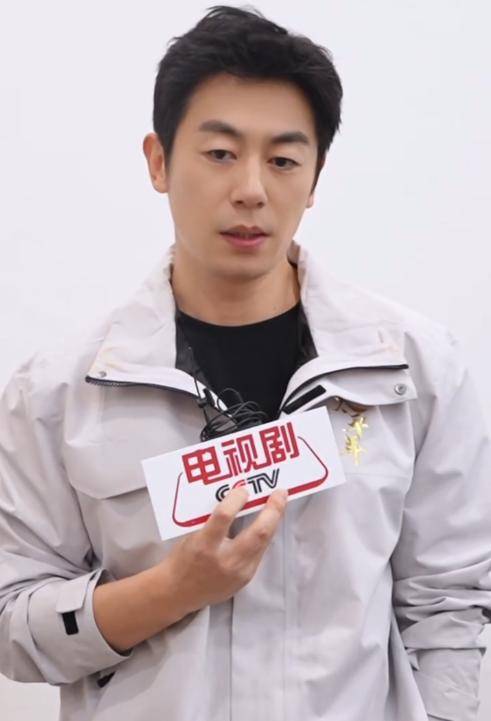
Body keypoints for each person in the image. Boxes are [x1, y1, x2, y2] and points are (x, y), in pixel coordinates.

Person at [0, 5, 490, 721]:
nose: (252, 189)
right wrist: (171, 589)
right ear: (159, 161)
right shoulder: (58, 393)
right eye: (221, 153)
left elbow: (449, 603)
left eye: (283, 159)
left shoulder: (412, 370)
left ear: (315, 177)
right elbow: (13, 624)